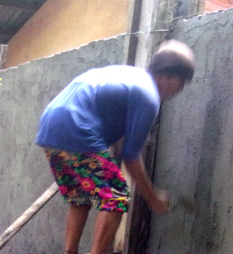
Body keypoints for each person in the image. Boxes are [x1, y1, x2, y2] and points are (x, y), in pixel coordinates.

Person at [36, 40, 194, 254]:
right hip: (78, 128)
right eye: (181, 82)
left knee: (80, 197)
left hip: (50, 126)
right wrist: (152, 197)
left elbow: (117, 134)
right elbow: (131, 157)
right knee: (116, 197)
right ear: (167, 76)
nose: (180, 89)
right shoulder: (148, 97)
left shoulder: (130, 76)